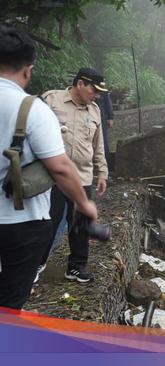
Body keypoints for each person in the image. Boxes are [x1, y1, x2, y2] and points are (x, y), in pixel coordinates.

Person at [0, 26, 97, 310]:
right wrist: (83, 203)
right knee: (9, 304)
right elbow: (61, 168)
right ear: (28, 71)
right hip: (21, 224)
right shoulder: (33, 109)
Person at [38, 67, 109, 283]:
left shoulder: (95, 111)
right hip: (53, 177)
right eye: (93, 90)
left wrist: (102, 172)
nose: (96, 96)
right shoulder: (51, 101)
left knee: (80, 224)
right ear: (80, 84)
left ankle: (76, 266)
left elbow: (98, 145)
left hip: (82, 177)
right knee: (47, 221)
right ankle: (36, 264)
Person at [96, 91, 113, 168]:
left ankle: (106, 166)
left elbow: (108, 104)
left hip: (102, 119)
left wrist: (110, 117)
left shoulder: (104, 92)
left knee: (103, 142)